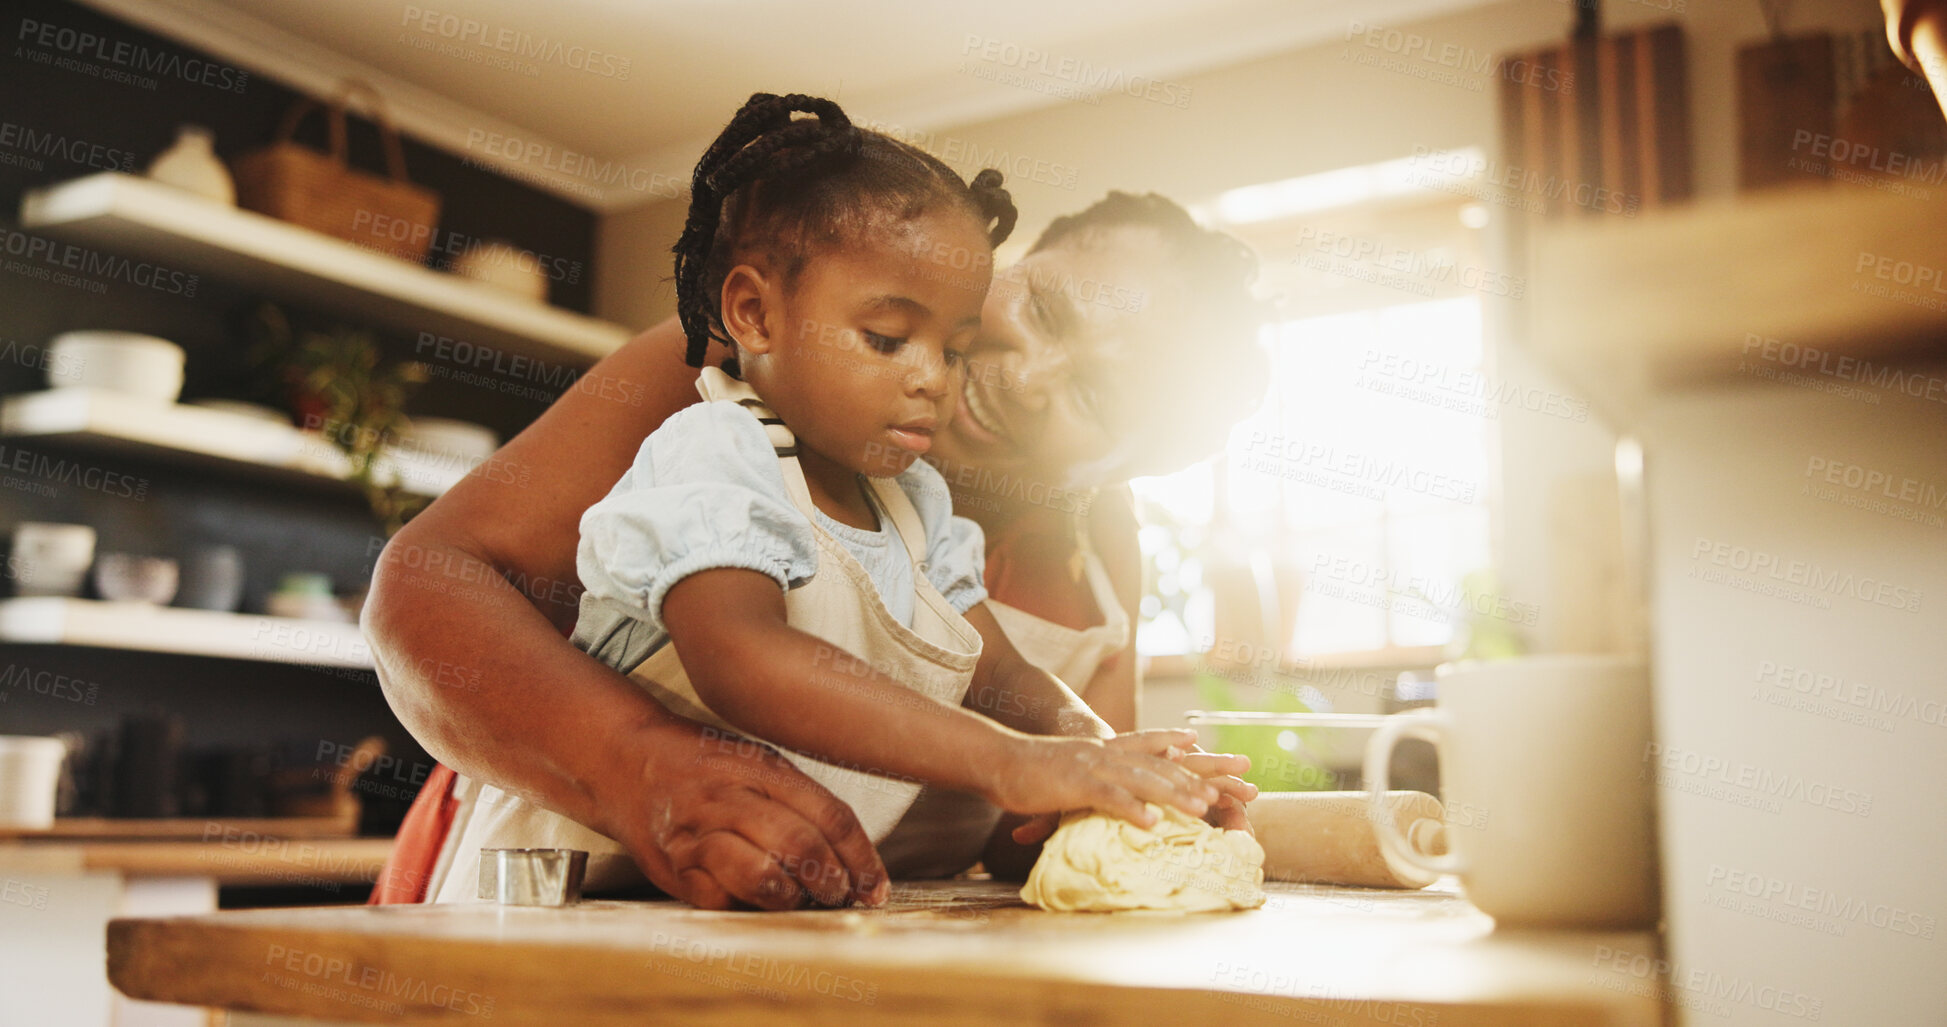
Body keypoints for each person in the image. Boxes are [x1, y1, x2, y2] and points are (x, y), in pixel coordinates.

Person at [364, 125, 1269, 912]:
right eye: (1041, 305)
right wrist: (634, 763)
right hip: (543, 879)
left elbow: (1022, 822)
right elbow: (428, 582)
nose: (1022, 375)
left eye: (1098, 395)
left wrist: (1121, 786)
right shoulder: (729, 385)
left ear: (1122, 470)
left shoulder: (1085, 549)